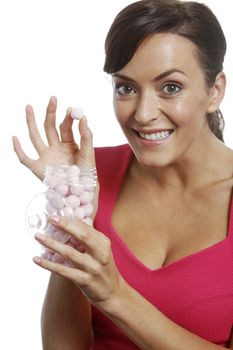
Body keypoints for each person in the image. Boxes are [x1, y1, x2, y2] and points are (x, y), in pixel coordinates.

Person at [12, 0, 233, 348]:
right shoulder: (90, 177)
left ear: (215, 90)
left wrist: (115, 295)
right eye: (126, 88)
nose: (143, 114)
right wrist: (74, 209)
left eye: (170, 87)